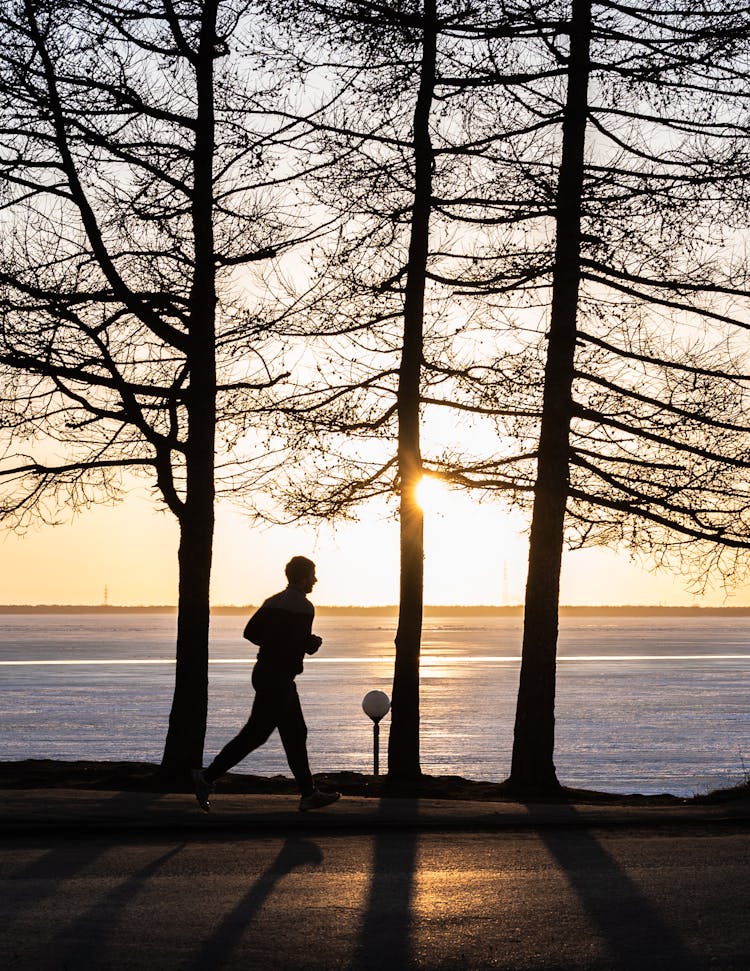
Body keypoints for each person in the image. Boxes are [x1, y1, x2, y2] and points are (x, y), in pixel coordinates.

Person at [192, 556, 340, 813]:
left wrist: (275, 643)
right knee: (255, 734)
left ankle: (308, 793)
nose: (315, 580)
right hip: (278, 677)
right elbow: (298, 642)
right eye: (312, 575)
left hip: (266, 672)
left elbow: (251, 633)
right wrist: (311, 644)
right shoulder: (304, 607)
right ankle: (206, 778)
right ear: (303, 577)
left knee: (295, 733)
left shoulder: (273, 602)